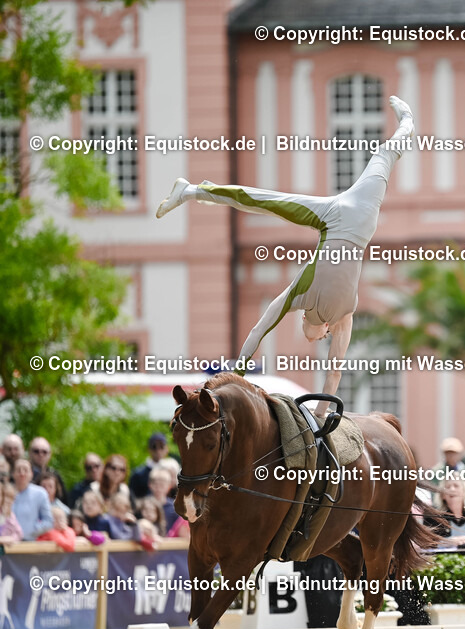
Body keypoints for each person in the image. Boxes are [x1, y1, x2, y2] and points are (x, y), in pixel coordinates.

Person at [156, 96, 415, 419]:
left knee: (266, 201)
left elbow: (258, 331)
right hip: (355, 211)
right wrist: (321, 415)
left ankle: (191, 191)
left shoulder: (298, 296)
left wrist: (237, 376)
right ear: (326, 331)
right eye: (318, 335)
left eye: (312, 331)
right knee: (379, 156)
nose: (314, 335)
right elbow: (334, 373)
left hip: (335, 216)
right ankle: (192, 191)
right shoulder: (345, 316)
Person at [11, 459, 52, 540]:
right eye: (18, 470)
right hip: (5, 543)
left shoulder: (40, 493)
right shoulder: (4, 492)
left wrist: (31, 531)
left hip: (30, 543)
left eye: (25, 470)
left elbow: (48, 521)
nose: (22, 473)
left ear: (31, 474)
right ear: (13, 474)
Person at [430, 437, 465, 502]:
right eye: (448, 453)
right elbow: (434, 492)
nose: (451, 456)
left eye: (454, 453)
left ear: (459, 454)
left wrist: (463, 502)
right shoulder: (436, 471)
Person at [129, 432, 171, 500]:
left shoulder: (172, 472)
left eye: (161, 446)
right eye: (154, 447)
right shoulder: (138, 474)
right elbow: (133, 498)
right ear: (148, 449)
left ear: (167, 449)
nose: (158, 450)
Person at [28, 437, 66, 503]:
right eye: (36, 451)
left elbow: (64, 499)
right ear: (30, 453)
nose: (40, 454)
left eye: (44, 452)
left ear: (50, 454)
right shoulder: (23, 473)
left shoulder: (55, 475)